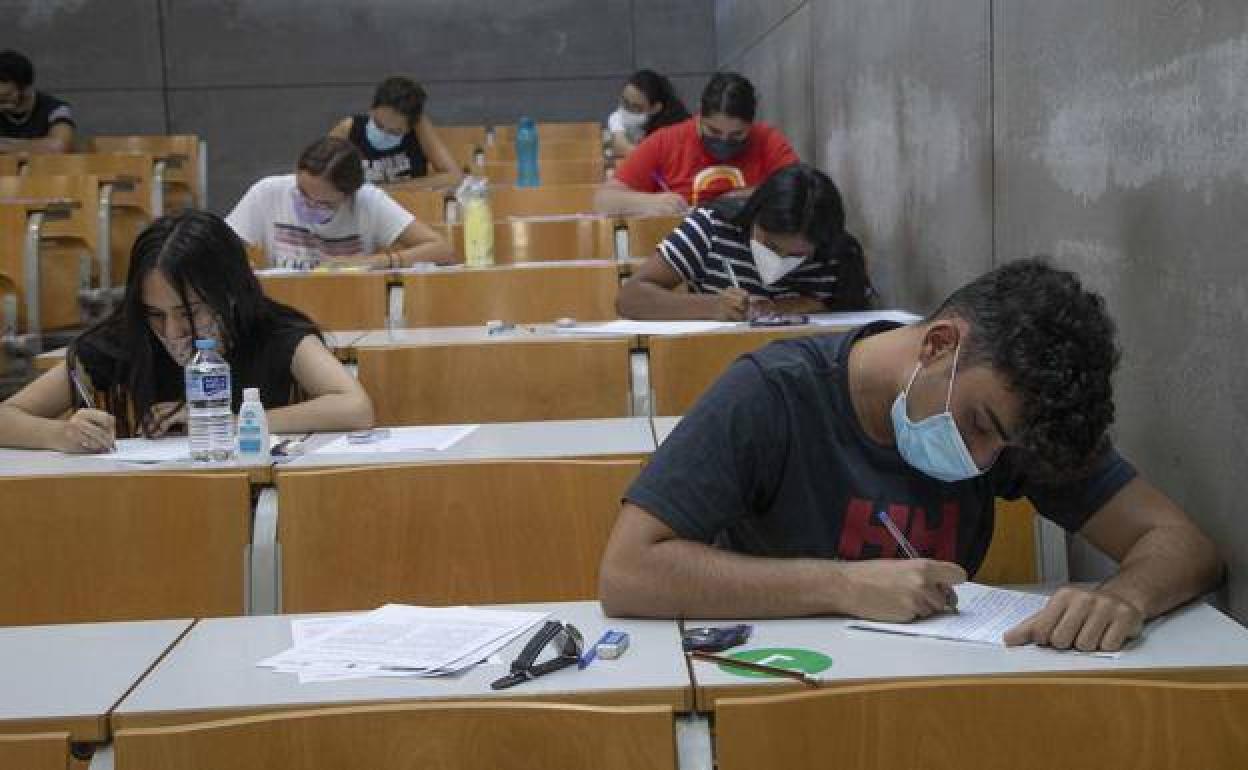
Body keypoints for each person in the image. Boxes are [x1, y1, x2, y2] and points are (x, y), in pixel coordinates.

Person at [599, 259, 1222, 653]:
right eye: (979, 426)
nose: (983, 460)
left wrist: (1125, 597)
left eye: (1002, 447)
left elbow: (1182, 545)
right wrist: (842, 585)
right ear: (938, 345)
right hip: (779, 682)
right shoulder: (772, 395)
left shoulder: (1013, 421)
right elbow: (628, 572)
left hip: (934, 704)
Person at [0, 210, 375, 451]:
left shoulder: (272, 332)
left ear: (229, 293)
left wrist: (228, 423)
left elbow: (354, 407)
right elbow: (7, 416)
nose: (173, 330)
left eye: (190, 312)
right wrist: (59, 435)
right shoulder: (123, 340)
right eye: (155, 314)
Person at [616, 164, 873, 320]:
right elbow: (630, 298)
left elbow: (859, 326)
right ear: (754, 215)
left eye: (796, 256)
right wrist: (713, 306)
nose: (779, 260)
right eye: (770, 246)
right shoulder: (712, 227)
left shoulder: (837, 255)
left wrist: (817, 309)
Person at [226, 137, 455, 269]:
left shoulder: (368, 201)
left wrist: (376, 261)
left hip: (351, 303)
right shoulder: (268, 192)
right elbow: (216, 248)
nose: (308, 205)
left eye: (324, 204)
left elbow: (442, 249)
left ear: (349, 194)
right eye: (302, 193)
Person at [595, 72, 799, 217]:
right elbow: (604, 200)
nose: (724, 141)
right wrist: (650, 202)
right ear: (699, 113)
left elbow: (801, 190)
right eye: (714, 132)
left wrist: (749, 197)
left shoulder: (766, 139)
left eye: (737, 135)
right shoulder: (665, 141)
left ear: (751, 124)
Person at [329, 75, 463, 190]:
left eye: (395, 132)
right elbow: (320, 173)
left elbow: (454, 176)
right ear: (371, 109)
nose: (384, 133)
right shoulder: (348, 128)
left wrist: (386, 189)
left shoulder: (419, 127)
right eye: (378, 124)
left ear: (410, 127)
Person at [0, 50, 74, 154]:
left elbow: (58, 147)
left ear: (26, 89)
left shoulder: (56, 109)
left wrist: (5, 144)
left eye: (6, 95)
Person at [607, 69, 691, 160]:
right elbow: (619, 145)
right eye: (625, 101)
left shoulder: (671, 131)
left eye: (636, 107)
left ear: (655, 108)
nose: (627, 110)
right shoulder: (625, 118)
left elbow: (644, 157)